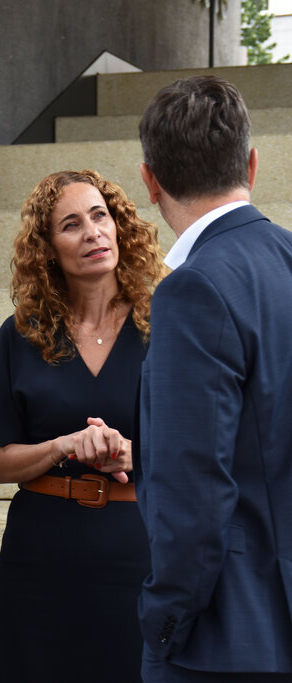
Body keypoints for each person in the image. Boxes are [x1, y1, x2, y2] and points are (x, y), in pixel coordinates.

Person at [0, 169, 166, 682]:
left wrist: (135, 456)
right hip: (41, 558)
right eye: (71, 225)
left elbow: (209, 446)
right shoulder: (20, 337)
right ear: (48, 249)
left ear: (120, 226)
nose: (93, 233)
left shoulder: (167, 327)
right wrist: (60, 445)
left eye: (100, 216)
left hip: (139, 550)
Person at [137, 76, 292, 681]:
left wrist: (165, 620)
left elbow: (193, 488)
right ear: (251, 163)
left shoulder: (194, 290)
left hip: (227, 638)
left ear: (150, 183)